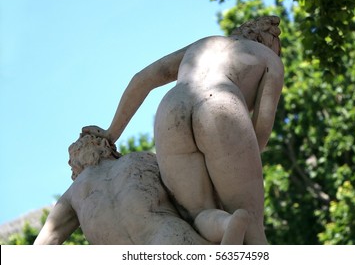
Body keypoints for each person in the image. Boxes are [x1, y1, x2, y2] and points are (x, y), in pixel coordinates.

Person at [82, 16, 284, 244]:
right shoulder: (270, 60)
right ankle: (239, 224)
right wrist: (239, 162)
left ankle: (227, 225)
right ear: (270, 42)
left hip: (171, 107)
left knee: (197, 214)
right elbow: (262, 130)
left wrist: (111, 133)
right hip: (221, 104)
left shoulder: (204, 44)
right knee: (251, 221)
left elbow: (143, 78)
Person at [34, 134, 249, 245]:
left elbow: (44, 243)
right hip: (172, 241)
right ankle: (227, 227)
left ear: (75, 168)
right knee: (200, 213)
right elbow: (190, 198)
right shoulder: (139, 159)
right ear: (108, 148)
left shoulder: (73, 193)